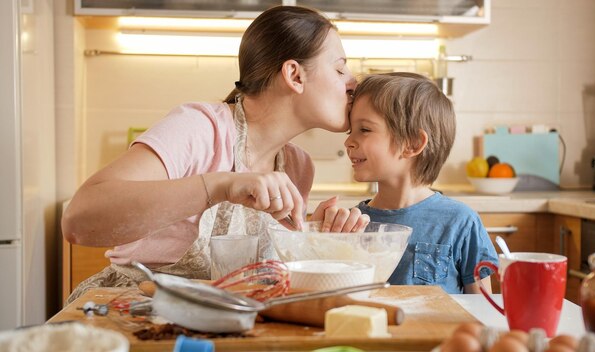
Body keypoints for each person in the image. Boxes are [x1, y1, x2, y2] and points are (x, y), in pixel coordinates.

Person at [62, 6, 370, 303]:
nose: (352, 82)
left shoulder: (298, 165)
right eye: (340, 68)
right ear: (295, 75)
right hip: (134, 311)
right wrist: (219, 186)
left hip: (221, 318)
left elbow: (255, 278)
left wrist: (310, 239)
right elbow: (78, 220)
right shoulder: (198, 128)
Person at [344, 72, 497, 294]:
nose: (348, 141)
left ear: (413, 143)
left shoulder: (460, 222)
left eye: (364, 129)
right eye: (350, 131)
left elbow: (482, 309)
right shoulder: (353, 224)